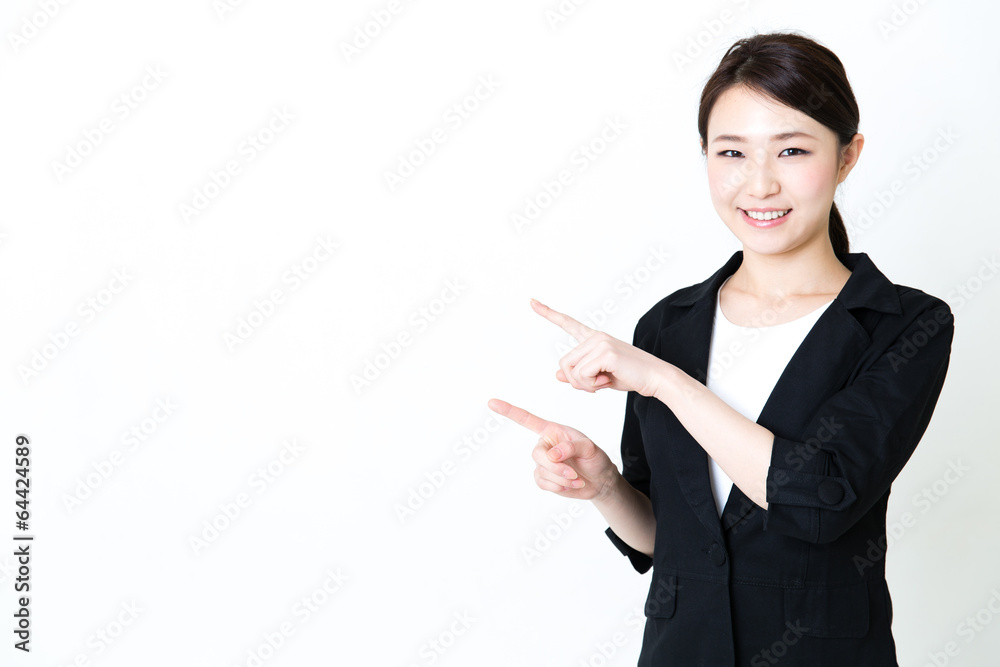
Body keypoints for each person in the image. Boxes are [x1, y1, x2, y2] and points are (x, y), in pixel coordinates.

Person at [487, 31, 955, 665]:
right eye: (731, 152)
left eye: (792, 150)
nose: (758, 185)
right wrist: (601, 484)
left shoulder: (904, 325)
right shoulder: (668, 326)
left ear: (848, 157)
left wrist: (666, 384)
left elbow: (818, 502)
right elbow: (663, 541)